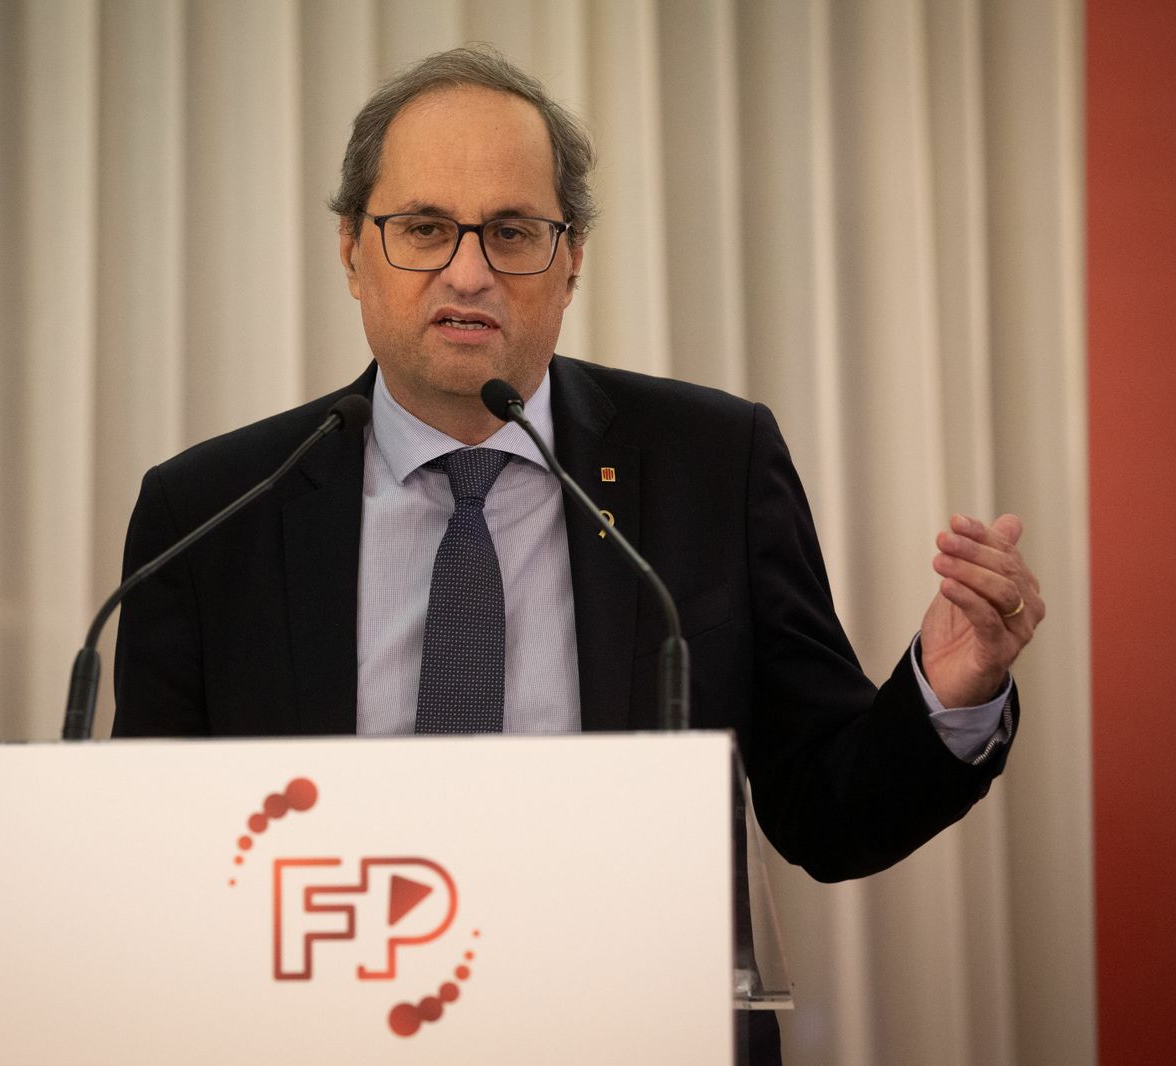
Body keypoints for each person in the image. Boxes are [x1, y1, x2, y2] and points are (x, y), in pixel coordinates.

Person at [111, 45, 1043, 1064]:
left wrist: (945, 695)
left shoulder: (707, 466)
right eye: (423, 228)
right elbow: (158, 867)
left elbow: (824, 813)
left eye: (512, 232)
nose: (467, 271)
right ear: (350, 247)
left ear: (572, 256)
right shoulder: (213, 511)